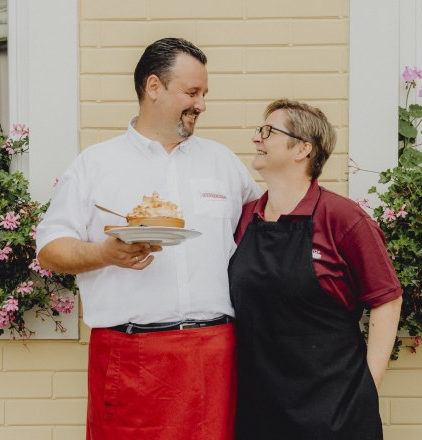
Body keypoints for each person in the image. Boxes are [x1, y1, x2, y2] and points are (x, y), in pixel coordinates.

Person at [36, 38, 260, 440]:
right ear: (153, 87)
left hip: (214, 354)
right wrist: (105, 252)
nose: (202, 105)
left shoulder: (223, 162)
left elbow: (264, 236)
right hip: (130, 357)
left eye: (205, 94)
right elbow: (50, 250)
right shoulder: (95, 165)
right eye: (192, 92)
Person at [229, 99, 402, 439]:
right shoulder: (246, 217)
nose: (256, 139)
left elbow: (387, 299)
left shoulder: (343, 218)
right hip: (259, 411)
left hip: (335, 412)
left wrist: (366, 387)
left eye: (268, 131)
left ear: (303, 149)